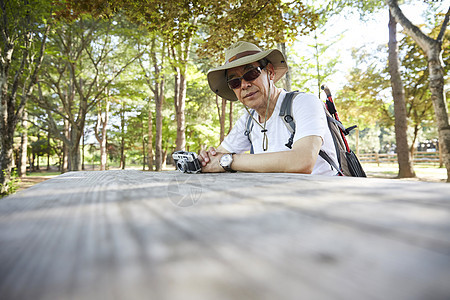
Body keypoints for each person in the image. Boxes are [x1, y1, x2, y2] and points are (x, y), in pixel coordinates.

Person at [199, 41, 338, 175]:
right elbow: (217, 158)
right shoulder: (248, 121)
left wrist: (229, 160)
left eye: (251, 74)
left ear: (270, 72)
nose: (244, 85)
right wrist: (205, 159)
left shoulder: (304, 103)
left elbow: (303, 161)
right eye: (235, 82)